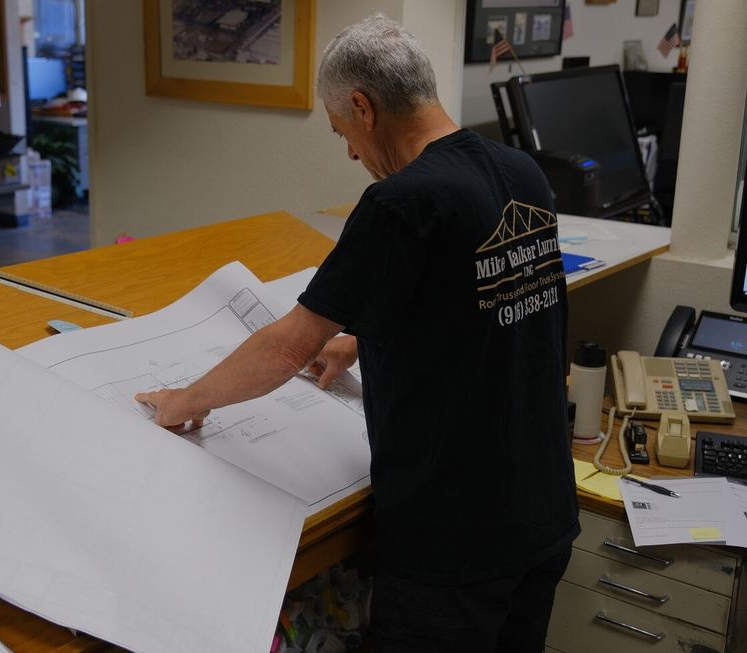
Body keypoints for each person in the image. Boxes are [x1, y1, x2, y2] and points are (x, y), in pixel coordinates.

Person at [136, 14, 578, 652]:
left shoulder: (402, 203)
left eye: (342, 128)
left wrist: (185, 401)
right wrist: (365, 337)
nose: (348, 150)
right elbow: (491, 306)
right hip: (542, 522)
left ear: (365, 108)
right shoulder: (521, 173)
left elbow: (290, 343)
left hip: (454, 550)